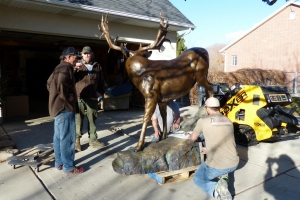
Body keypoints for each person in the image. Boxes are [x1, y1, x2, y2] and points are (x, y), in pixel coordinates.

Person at [189, 97, 239, 200]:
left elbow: (193, 139)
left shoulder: (203, 120)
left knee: (198, 179)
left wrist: (190, 135)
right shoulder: (228, 120)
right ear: (219, 108)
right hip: (234, 163)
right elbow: (222, 141)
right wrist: (208, 149)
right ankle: (223, 178)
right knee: (221, 164)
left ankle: (217, 191)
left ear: (207, 108)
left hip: (218, 165)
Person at [46, 47, 84, 174]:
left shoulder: (58, 68)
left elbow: (49, 83)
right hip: (65, 108)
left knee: (58, 138)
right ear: (68, 57)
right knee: (67, 139)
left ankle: (60, 163)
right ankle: (68, 167)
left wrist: (56, 95)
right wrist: (67, 96)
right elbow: (61, 82)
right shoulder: (66, 68)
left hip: (57, 109)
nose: (76, 59)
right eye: (75, 57)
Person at [74, 46, 106, 151]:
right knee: (78, 119)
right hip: (80, 96)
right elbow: (69, 79)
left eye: (89, 53)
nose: (87, 55)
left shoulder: (97, 66)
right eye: (85, 53)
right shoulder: (77, 65)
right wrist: (74, 68)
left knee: (92, 119)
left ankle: (93, 140)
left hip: (92, 97)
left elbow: (102, 82)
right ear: (81, 54)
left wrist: (100, 92)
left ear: (91, 54)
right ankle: (77, 141)